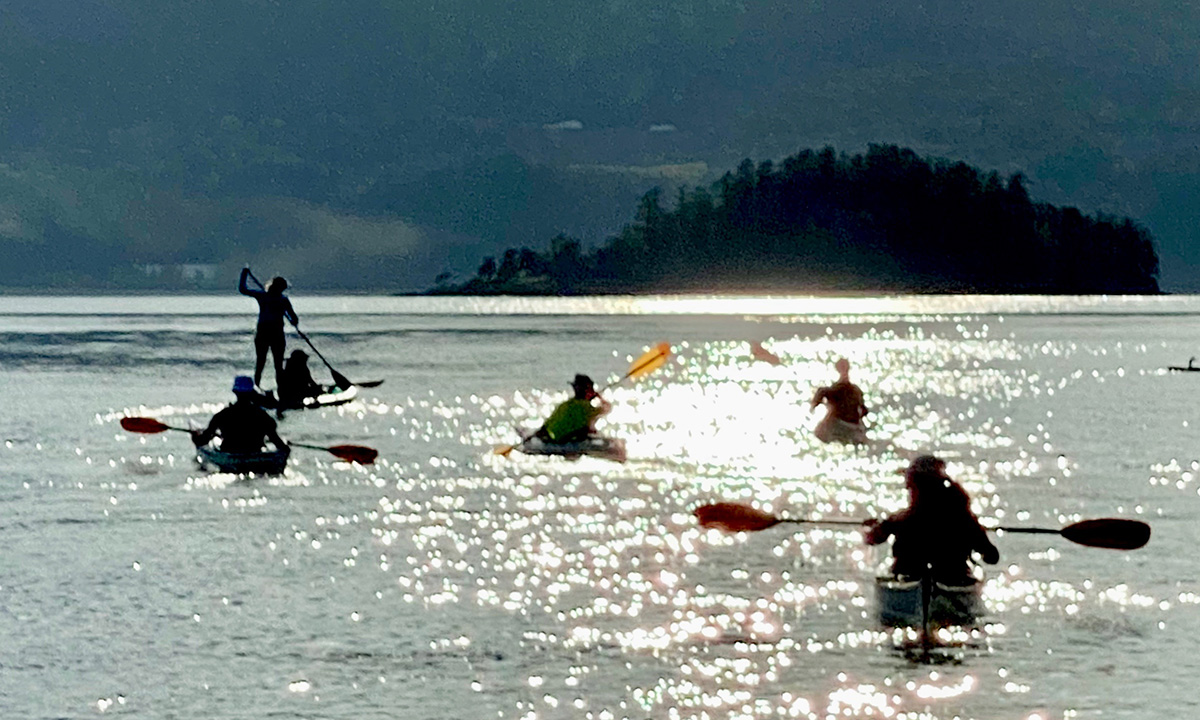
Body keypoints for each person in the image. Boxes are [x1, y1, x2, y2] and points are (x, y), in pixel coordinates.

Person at [864, 455, 999, 583]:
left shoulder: (901, 520)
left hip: (908, 579)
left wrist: (875, 527)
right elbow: (992, 557)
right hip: (955, 578)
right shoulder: (964, 520)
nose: (909, 491)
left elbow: (871, 539)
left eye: (911, 486)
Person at [191, 375, 288, 454]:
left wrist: (195, 437)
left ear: (235, 392)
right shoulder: (262, 416)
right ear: (251, 393)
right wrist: (285, 448)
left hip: (230, 452)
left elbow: (204, 440)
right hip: (255, 452)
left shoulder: (222, 415)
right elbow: (276, 441)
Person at [239, 267, 298, 389]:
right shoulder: (263, 296)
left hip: (275, 333)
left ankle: (281, 389)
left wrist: (293, 320)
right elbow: (243, 290)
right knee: (262, 361)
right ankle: (257, 386)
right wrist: (243, 275)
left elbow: (294, 318)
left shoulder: (282, 300)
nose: (281, 291)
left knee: (276, 363)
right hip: (265, 333)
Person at [535, 374, 612, 444]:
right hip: (568, 441)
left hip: (553, 439)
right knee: (588, 428)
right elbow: (607, 408)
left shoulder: (564, 405)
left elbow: (546, 426)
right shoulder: (587, 407)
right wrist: (599, 397)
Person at [810, 357, 869, 444]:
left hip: (839, 423)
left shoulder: (835, 390)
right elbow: (864, 411)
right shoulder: (856, 390)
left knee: (819, 432)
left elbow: (821, 392)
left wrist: (814, 405)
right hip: (852, 426)